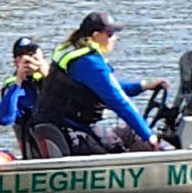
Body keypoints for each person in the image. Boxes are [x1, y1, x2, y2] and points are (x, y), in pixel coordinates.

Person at [30, 11, 168, 154]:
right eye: (110, 34)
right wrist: (149, 135)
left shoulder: (74, 51)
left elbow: (108, 88)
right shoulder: (89, 63)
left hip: (60, 125)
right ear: (96, 35)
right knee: (128, 146)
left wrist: (143, 85)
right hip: (73, 133)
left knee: (130, 133)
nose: (114, 38)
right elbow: (119, 102)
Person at [0, 36, 49, 153]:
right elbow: (4, 119)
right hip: (37, 152)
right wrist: (18, 81)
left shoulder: (54, 81)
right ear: (16, 63)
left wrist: (48, 74)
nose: (29, 62)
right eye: (24, 58)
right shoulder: (15, 88)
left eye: (32, 56)